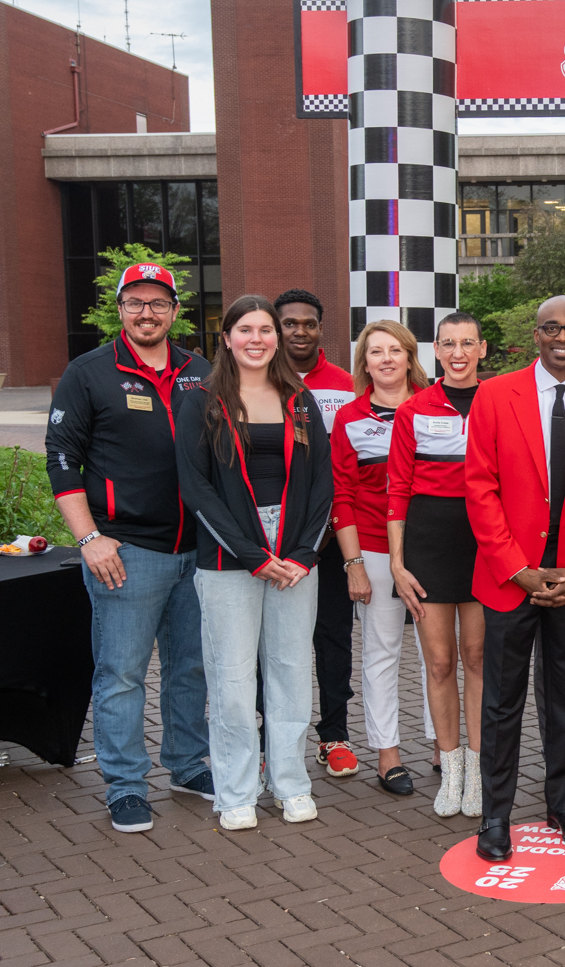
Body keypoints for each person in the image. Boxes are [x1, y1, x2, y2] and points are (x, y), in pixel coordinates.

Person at [47, 261, 214, 833]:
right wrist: (89, 538)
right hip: (126, 553)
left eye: (158, 303)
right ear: (120, 309)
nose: (148, 313)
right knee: (121, 674)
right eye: (136, 302)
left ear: (174, 311)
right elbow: (61, 458)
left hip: (197, 551)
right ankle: (124, 786)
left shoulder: (199, 371)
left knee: (190, 667)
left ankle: (188, 765)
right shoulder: (89, 372)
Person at [468, 296, 565, 861]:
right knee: (502, 703)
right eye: (552, 328)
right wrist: (517, 569)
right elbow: (480, 488)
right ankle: (496, 815)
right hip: (510, 577)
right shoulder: (494, 395)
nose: (563, 337)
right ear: (535, 335)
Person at [175, 295, 333, 831]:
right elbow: (195, 487)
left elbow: (323, 481)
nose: (257, 339)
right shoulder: (202, 401)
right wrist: (252, 555)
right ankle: (236, 791)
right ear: (227, 338)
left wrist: (304, 554)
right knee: (232, 677)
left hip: (294, 557)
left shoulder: (300, 399)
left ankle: (290, 783)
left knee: (291, 672)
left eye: (266, 329)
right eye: (246, 329)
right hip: (229, 556)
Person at [388, 312, 489, 818]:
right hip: (428, 543)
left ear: (482, 348)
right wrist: (397, 561)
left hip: (484, 542)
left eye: (467, 343)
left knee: (477, 657)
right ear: (435, 349)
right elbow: (397, 490)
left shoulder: (498, 402)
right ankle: (450, 770)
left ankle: (479, 772)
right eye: (448, 344)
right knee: (440, 662)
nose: (458, 353)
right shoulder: (414, 409)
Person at [331, 320, 428, 795]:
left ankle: (443, 745)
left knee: (439, 653)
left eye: (395, 350)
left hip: (432, 548)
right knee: (381, 651)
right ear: (364, 363)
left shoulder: (437, 407)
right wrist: (354, 566)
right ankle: (387, 754)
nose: (386, 359)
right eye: (376, 352)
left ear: (410, 357)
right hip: (371, 547)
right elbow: (342, 495)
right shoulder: (349, 418)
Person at [274, 288, 362, 782]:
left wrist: (329, 528)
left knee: (332, 638)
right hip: (273, 540)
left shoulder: (346, 386)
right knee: (273, 643)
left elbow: (346, 467)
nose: (300, 331)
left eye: (309, 323)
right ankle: (270, 739)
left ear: (321, 328)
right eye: (290, 323)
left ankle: (334, 735)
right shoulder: (257, 379)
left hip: (330, 540)